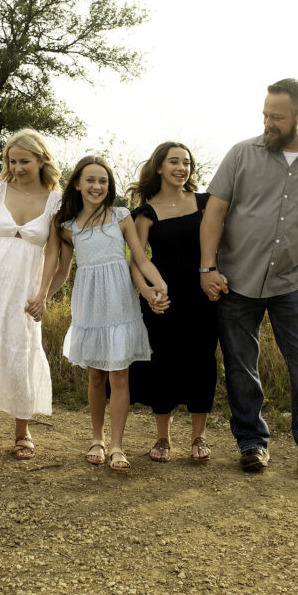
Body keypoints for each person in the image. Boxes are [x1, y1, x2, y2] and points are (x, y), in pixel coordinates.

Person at [199, 78, 298, 478]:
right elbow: (214, 212)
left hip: (295, 280)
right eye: (265, 114)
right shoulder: (241, 154)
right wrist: (208, 267)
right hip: (236, 278)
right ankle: (252, 443)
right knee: (240, 365)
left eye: (277, 116)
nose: (268, 122)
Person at [32, 156, 168, 471]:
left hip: (120, 302)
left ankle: (118, 445)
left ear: (109, 186)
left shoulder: (121, 216)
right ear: (77, 184)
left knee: (120, 375)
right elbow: (62, 271)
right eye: (90, 180)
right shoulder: (67, 227)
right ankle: (97, 438)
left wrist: (158, 285)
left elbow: (141, 260)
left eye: (103, 181)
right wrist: (42, 297)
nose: (97, 186)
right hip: (89, 303)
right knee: (96, 376)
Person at [0, 129, 68, 466]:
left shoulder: (56, 201)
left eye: (24, 161)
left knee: (21, 354)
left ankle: (23, 431)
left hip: (25, 288)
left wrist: (43, 295)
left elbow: (54, 255)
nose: (16, 167)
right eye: (11, 160)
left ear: (41, 160)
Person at [126, 142, 219, 462]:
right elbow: (136, 262)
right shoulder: (145, 212)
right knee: (162, 364)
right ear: (159, 168)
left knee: (202, 362)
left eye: (187, 163)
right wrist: (147, 294)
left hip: (202, 296)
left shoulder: (206, 203)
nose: (182, 168)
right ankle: (162, 439)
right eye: (174, 162)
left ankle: (199, 437)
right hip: (162, 298)